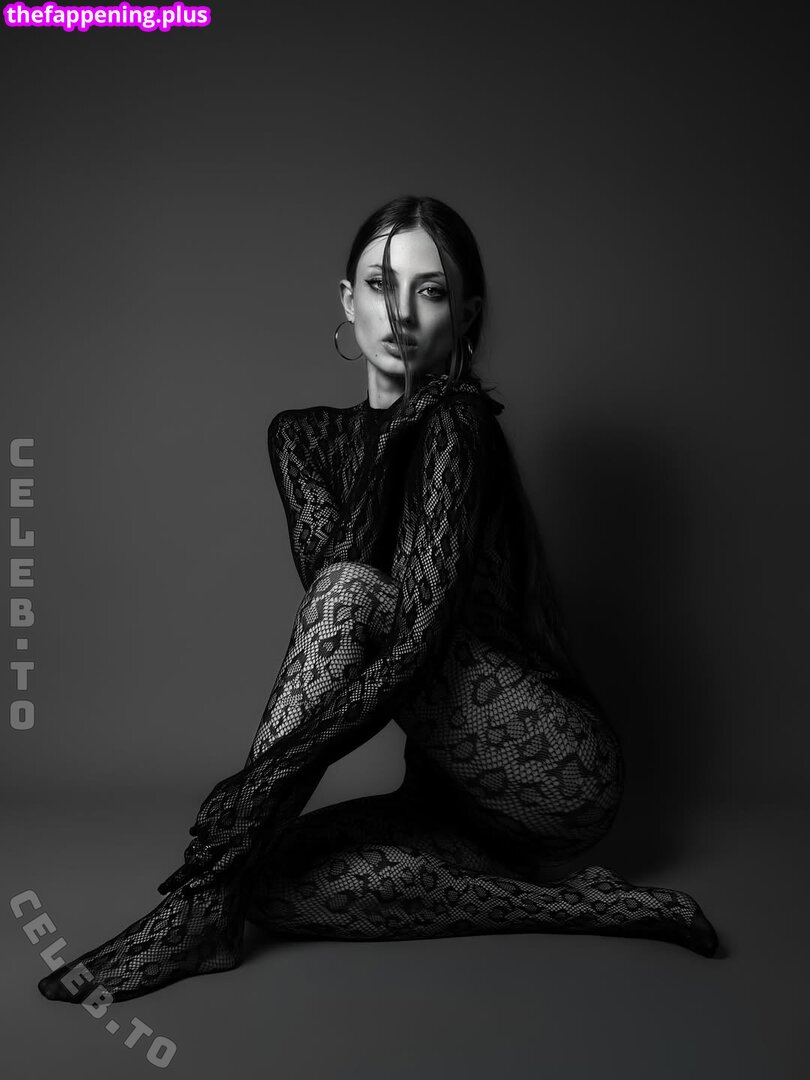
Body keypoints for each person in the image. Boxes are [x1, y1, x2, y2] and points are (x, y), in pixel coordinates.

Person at [38, 195, 718, 1006]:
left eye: (429, 292)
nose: (400, 312)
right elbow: (340, 589)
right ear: (347, 299)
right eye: (379, 284)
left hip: (549, 766)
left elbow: (415, 642)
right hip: (446, 796)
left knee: (255, 824)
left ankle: (197, 905)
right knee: (268, 881)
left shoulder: (460, 423)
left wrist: (264, 782)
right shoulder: (303, 438)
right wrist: (390, 438)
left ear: (466, 317)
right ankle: (579, 906)